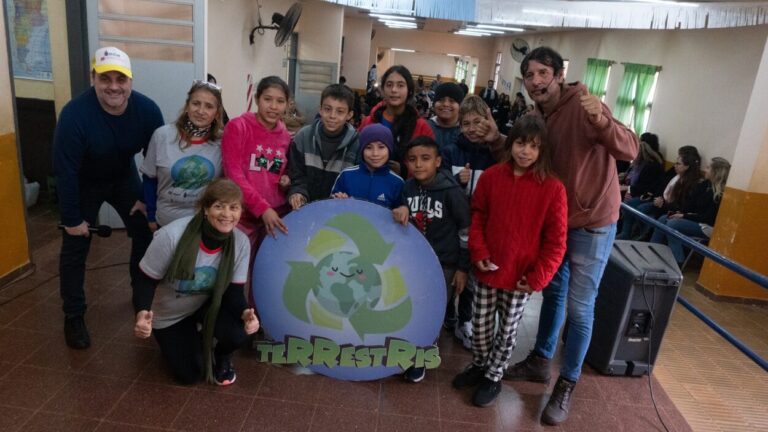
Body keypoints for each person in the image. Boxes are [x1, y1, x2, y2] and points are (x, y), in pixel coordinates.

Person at [504, 47, 638, 426]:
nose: (535, 81)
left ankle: (568, 382)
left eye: (543, 72)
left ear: (559, 74)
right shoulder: (535, 115)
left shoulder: (584, 104)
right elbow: (524, 157)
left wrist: (602, 122)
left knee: (580, 307)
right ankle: (541, 361)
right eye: (529, 75)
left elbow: (629, 149)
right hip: (556, 223)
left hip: (593, 221)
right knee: (553, 293)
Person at [452, 115, 567, 408]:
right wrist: (478, 253)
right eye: (520, 143)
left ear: (542, 151)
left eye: (533, 146)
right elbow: (477, 217)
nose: (525, 151)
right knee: (480, 328)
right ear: (510, 142)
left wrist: (538, 277)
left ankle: (494, 375)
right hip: (487, 270)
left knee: (507, 332)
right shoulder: (491, 176)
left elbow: (556, 242)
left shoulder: (553, 189)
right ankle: (479, 364)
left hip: (521, 278)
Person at [53, 47, 164, 349]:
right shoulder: (75, 115)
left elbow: (156, 163)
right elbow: (65, 171)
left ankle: (140, 298)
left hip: (123, 177)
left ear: (130, 81)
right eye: (105, 79)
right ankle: (73, 315)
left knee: (144, 231)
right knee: (75, 246)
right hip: (84, 182)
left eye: (120, 79)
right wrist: (73, 218)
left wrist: (148, 202)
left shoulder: (147, 110)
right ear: (93, 79)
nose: (113, 86)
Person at [133, 178, 259, 385]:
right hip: (169, 312)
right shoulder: (172, 236)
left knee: (238, 334)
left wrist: (246, 314)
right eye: (219, 206)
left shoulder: (241, 242)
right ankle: (185, 338)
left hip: (205, 304)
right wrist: (141, 314)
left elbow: (233, 293)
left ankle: (221, 354)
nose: (227, 214)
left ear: (240, 212)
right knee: (191, 375)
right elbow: (144, 281)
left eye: (233, 208)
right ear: (205, 209)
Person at [392, 136, 471, 383]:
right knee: (413, 307)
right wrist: (401, 208)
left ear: (438, 161)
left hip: (445, 263)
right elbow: (398, 214)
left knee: (432, 311)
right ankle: (409, 348)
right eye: (413, 160)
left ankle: (421, 358)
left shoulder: (452, 192)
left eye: (425, 159)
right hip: (415, 262)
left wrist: (462, 268)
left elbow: (466, 231)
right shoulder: (407, 188)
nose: (418, 165)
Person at [141, 80, 224, 231]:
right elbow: (149, 178)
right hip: (166, 223)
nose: (201, 111)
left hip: (205, 223)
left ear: (217, 113)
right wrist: (151, 214)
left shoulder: (223, 142)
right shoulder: (162, 135)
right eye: (196, 103)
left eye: (209, 106)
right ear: (187, 106)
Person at [222, 76, 292, 244]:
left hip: (274, 217)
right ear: (257, 99)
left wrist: (286, 181)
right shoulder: (238, 127)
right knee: (240, 267)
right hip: (242, 216)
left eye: (280, 101)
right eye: (267, 99)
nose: (273, 107)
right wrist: (262, 208)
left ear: (287, 104)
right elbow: (234, 174)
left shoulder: (286, 137)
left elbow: (277, 171)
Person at [287, 84, 359, 209]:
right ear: (320, 109)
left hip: (338, 213)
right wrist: (298, 193)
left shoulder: (357, 144)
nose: (332, 116)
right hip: (304, 210)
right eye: (327, 109)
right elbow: (296, 175)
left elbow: (357, 183)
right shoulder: (303, 137)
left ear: (349, 115)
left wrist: (347, 197)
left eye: (340, 111)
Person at [650, 157, 730, 264]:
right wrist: (679, 212)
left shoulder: (720, 194)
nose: (705, 170)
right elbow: (689, 205)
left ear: (716, 172)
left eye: (708, 168)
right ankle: (652, 250)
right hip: (695, 219)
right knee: (664, 218)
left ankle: (677, 261)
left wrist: (684, 216)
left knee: (673, 224)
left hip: (707, 226)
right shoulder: (704, 185)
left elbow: (708, 218)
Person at [360, 65, 435, 177]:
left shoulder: (422, 126)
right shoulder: (369, 122)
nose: (394, 90)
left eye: (400, 85)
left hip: (407, 189)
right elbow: (358, 157)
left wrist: (404, 171)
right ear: (383, 90)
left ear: (409, 90)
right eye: (389, 85)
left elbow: (430, 164)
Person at [620, 147, 701, 241]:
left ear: (687, 166)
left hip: (667, 206)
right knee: (630, 204)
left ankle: (643, 236)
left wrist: (662, 203)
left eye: (678, 163)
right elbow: (660, 183)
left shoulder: (690, 182)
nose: (675, 165)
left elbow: (680, 204)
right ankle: (626, 233)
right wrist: (650, 194)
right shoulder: (674, 171)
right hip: (657, 199)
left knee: (643, 209)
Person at [331, 124, 404, 209]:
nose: (375, 153)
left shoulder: (397, 183)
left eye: (381, 147)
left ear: (390, 149)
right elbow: (330, 206)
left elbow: (401, 215)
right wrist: (337, 200)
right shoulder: (346, 175)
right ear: (361, 150)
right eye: (369, 147)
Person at [615, 141, 665, 240]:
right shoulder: (637, 165)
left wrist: (627, 188)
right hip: (636, 191)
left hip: (647, 195)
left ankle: (625, 232)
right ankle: (618, 228)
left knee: (629, 203)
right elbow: (631, 179)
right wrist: (624, 177)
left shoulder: (652, 166)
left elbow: (645, 187)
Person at [428, 82, 465, 153]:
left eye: (452, 101)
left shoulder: (466, 131)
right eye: (441, 100)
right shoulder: (425, 127)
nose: (446, 104)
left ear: (460, 106)